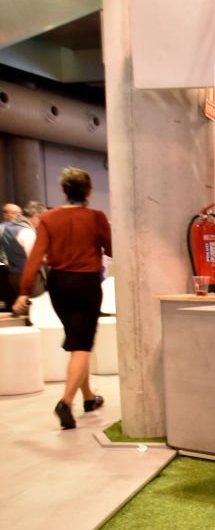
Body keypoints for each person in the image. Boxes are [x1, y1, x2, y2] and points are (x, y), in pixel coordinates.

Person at [12, 168, 112, 431]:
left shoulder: (49, 218)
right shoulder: (96, 217)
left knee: (77, 341)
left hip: (59, 284)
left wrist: (23, 290)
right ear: (88, 191)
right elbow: (112, 248)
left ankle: (89, 399)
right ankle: (65, 402)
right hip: (87, 284)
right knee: (82, 344)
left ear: (64, 191)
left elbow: (36, 256)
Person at [0, 201, 39, 301]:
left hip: (12, 270)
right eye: (16, 213)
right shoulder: (23, 230)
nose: (20, 216)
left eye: (20, 214)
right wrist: (4, 260)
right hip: (12, 269)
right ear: (5, 214)